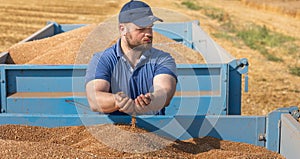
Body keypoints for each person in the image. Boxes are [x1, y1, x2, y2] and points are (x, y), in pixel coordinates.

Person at [85, 0, 177, 115]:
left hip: (155, 130)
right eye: (141, 29)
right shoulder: (102, 59)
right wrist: (117, 101)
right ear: (122, 29)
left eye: (150, 27)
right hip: (114, 130)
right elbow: (94, 99)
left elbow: (165, 91)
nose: (148, 33)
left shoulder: (162, 59)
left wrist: (152, 99)